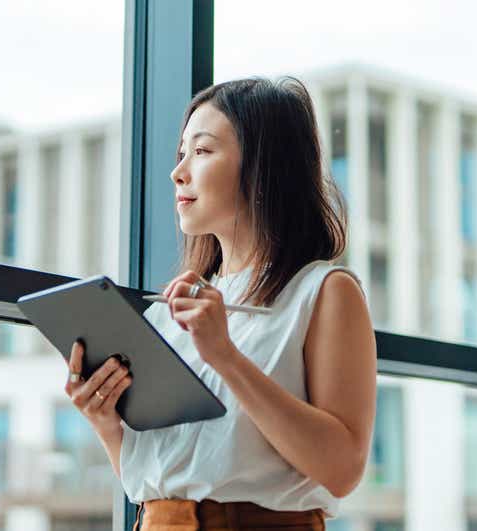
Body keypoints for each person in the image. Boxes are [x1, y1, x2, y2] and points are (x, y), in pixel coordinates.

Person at [62, 77, 378, 530]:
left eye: (203, 151)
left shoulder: (324, 291)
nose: (179, 172)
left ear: (262, 167)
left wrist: (225, 356)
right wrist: (105, 420)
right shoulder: (169, 313)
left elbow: (343, 468)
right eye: (181, 154)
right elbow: (162, 480)